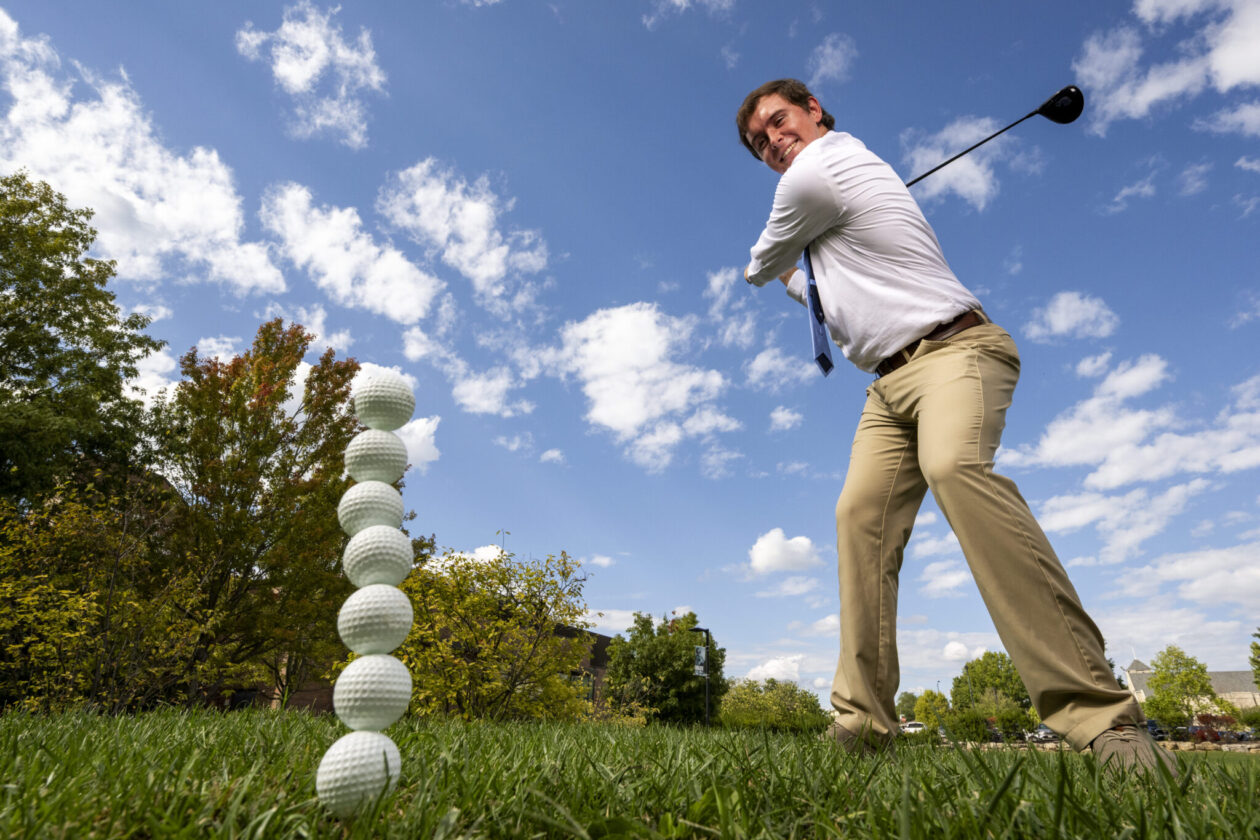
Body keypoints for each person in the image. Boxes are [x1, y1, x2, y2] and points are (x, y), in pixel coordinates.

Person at [737, 78, 1174, 775]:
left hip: (957, 351)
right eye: (759, 142)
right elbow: (808, 282)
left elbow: (762, 265)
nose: (772, 141)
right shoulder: (823, 206)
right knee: (858, 517)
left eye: (779, 121)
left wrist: (765, 264)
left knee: (955, 469)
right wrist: (801, 264)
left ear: (814, 111)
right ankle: (862, 723)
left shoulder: (827, 165)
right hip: (888, 387)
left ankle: (1104, 720)